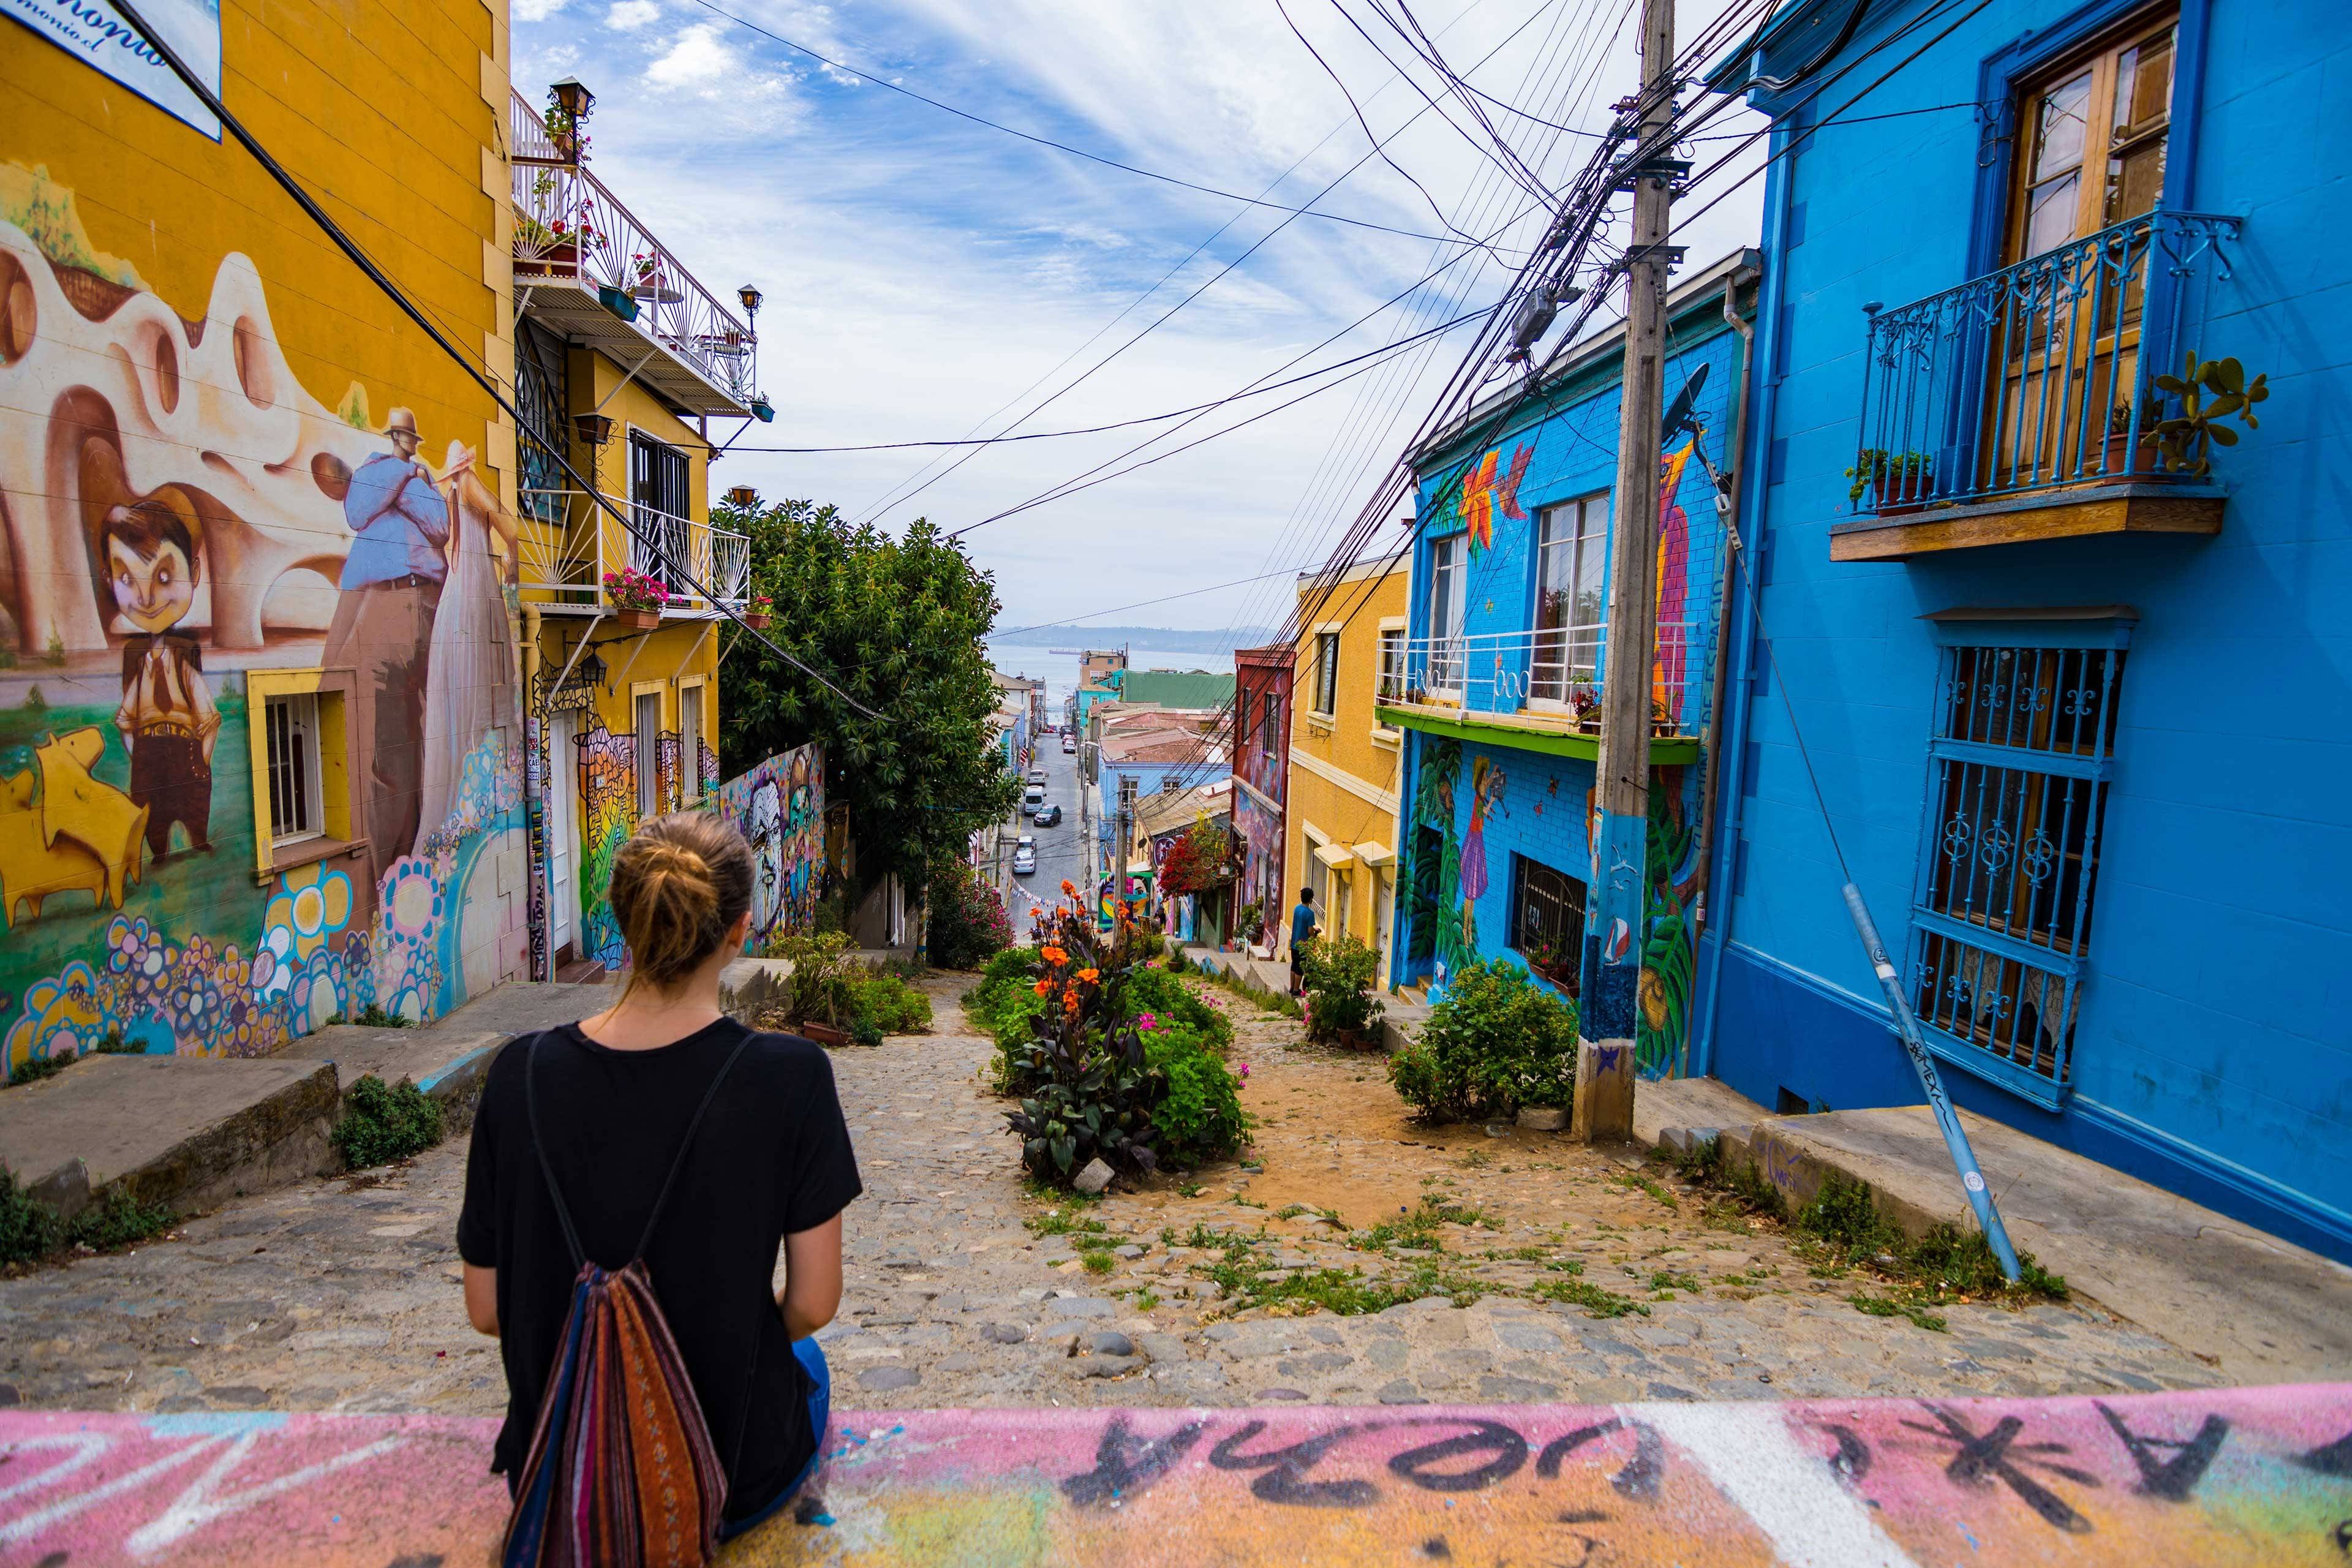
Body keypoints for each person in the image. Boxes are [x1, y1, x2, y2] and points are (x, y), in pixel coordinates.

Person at [458, 813, 861, 1540]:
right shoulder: (791, 1077)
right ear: (740, 931)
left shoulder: (518, 1075)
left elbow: (487, 1310)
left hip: (560, 1471)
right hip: (730, 1477)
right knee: (808, 1362)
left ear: (623, 919)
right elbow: (813, 1302)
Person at [323, 407, 469, 889]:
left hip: (427, 601)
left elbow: (440, 527)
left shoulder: (421, 485)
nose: (408, 440)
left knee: (430, 735)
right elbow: (358, 509)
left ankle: (416, 858)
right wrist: (406, 475)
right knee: (384, 745)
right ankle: (386, 867)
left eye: (411, 436)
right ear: (394, 437)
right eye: (402, 435)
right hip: (381, 602)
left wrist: (409, 490)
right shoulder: (380, 470)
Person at [100, 500, 217, 858]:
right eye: (126, 578)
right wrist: (141, 755)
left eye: (164, 576)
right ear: (108, 580)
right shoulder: (139, 667)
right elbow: (126, 720)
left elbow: (208, 716)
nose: (147, 597)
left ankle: (198, 838)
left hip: (184, 746)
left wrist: (203, 755)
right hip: (151, 750)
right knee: (154, 810)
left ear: (194, 573)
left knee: (193, 801)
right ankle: (160, 849)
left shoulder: (184, 663)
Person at [1289, 884, 1319, 997]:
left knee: (1293, 965)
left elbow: (1301, 923)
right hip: (1303, 946)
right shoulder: (1310, 914)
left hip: (1294, 943)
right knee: (1300, 969)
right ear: (1311, 899)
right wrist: (1313, 937)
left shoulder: (1297, 909)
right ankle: (1297, 991)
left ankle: (1292, 988)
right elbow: (1310, 930)